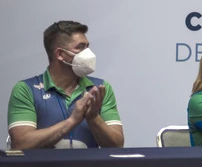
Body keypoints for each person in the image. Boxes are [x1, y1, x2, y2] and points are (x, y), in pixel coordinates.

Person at [7, 21, 123, 149]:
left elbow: (117, 145)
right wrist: (72, 121)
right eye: (80, 47)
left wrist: (94, 118)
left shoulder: (99, 89)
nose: (88, 53)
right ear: (60, 54)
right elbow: (21, 143)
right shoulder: (26, 89)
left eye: (87, 46)